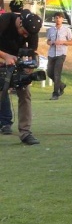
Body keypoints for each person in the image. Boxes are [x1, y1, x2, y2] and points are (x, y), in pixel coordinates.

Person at [0, 9, 43, 144]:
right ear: (20, 23)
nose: (26, 36)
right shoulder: (5, 21)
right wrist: (5, 56)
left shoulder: (32, 30)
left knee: (25, 95)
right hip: (3, 56)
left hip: (16, 60)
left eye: (28, 35)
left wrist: (28, 69)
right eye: (24, 32)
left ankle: (25, 132)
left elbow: (32, 52)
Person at [46, 12, 72, 100]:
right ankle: (61, 85)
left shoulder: (67, 30)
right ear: (54, 19)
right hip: (51, 53)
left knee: (57, 73)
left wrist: (62, 42)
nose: (58, 19)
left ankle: (55, 94)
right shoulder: (50, 30)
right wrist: (50, 42)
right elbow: (48, 41)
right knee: (49, 73)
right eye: (56, 18)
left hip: (61, 54)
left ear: (62, 19)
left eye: (59, 18)